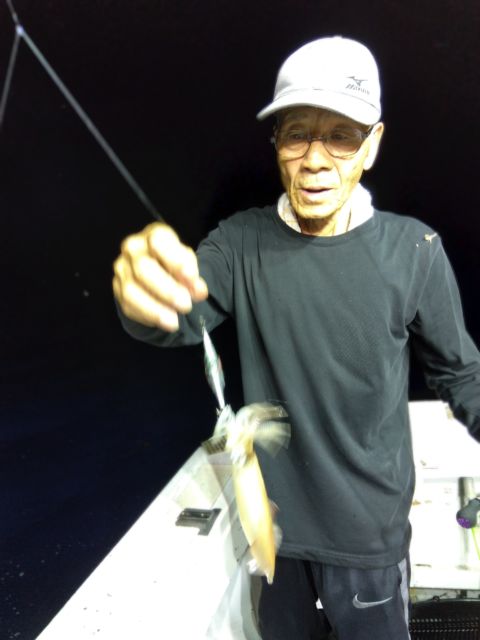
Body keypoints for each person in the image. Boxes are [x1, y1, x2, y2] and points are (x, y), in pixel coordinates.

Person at [113, 36, 480, 640]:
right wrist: (143, 298)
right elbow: (180, 318)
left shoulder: (415, 250)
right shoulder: (239, 243)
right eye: (297, 134)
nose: (315, 159)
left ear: (372, 145)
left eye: (341, 136)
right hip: (277, 541)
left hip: (370, 545)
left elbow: (460, 373)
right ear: (277, 143)